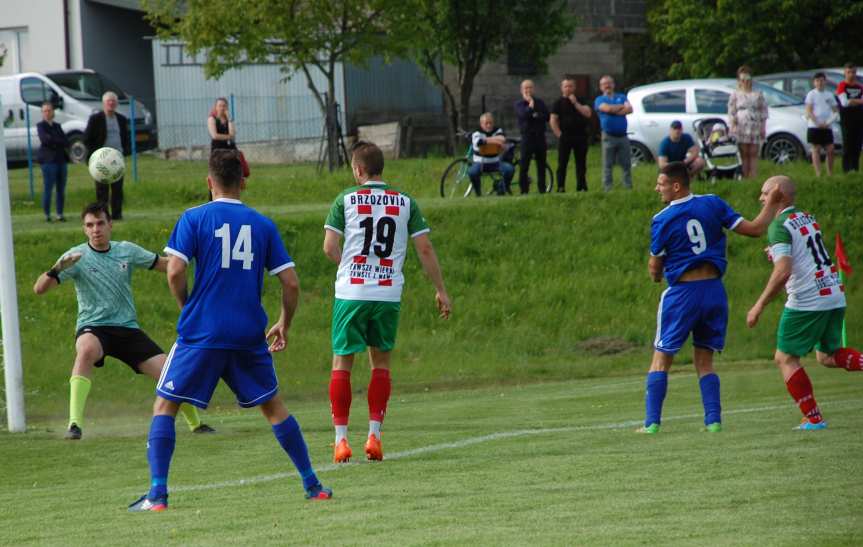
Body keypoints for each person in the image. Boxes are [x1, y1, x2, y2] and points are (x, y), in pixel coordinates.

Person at [128, 150, 332, 511]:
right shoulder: (263, 224)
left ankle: (157, 494)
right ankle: (312, 484)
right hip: (246, 334)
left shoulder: (194, 218)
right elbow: (291, 283)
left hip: (202, 333)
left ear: (209, 182)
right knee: (273, 407)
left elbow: (175, 270)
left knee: (166, 405)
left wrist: (187, 305)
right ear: (243, 181)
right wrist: (284, 322)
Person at [32, 202, 212, 440]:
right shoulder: (75, 256)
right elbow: (39, 290)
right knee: (86, 349)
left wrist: (195, 252)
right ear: (84, 229)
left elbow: (168, 266)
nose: (95, 229)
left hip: (127, 330)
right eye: (90, 225)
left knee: (169, 371)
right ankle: (74, 424)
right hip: (94, 328)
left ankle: (196, 424)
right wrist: (55, 270)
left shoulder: (126, 250)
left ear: (110, 225)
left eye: (100, 223)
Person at [323, 141, 451, 463]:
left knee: (342, 364)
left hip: (351, 293)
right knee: (380, 364)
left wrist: (348, 269)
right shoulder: (405, 202)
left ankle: (340, 440)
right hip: (387, 293)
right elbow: (424, 249)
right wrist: (441, 290)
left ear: (358, 170)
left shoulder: (346, 199)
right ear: (382, 168)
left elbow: (329, 246)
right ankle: (375, 436)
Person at [641, 162, 781, 434]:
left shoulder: (662, 219)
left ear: (676, 186)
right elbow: (754, 229)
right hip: (715, 292)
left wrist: (656, 278)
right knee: (704, 360)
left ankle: (651, 424)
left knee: (661, 358)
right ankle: (713, 421)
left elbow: (654, 266)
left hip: (683, 294)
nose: (657, 188)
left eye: (661, 183)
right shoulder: (713, 204)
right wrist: (773, 203)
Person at [746, 176, 862, 430]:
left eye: (765, 193)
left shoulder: (778, 225)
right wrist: (777, 255)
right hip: (832, 292)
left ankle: (813, 418)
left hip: (808, 298)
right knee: (828, 356)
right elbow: (802, 254)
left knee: (784, 357)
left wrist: (759, 305)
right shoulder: (806, 217)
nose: (761, 198)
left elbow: (783, 272)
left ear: (779, 195)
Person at [84, 91, 130, 220]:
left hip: (117, 161)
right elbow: (86, 138)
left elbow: (125, 137)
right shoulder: (95, 119)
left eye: (113, 101)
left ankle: (117, 214)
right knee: (102, 190)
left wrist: (124, 151)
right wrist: (96, 155)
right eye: (108, 101)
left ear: (116, 104)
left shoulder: (121, 119)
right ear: (104, 103)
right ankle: (103, 215)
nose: (111, 103)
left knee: (117, 189)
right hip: (101, 162)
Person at [550, 76, 592, 192]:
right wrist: (559, 134)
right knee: (562, 163)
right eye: (566, 86)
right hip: (565, 137)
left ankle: (581, 186)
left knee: (581, 163)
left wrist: (576, 104)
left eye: (570, 86)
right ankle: (560, 187)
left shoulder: (581, 100)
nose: (568, 88)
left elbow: (588, 113)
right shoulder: (558, 103)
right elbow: (553, 119)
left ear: (574, 87)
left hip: (580, 136)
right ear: (562, 88)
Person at [728, 65, 768, 179]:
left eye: (748, 79)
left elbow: (763, 111)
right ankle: (745, 177)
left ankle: (754, 178)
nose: (745, 82)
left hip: (755, 125)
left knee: (754, 153)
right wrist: (733, 125)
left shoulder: (758, 94)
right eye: (743, 80)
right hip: (741, 126)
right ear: (739, 81)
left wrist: (763, 127)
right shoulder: (735, 94)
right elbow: (731, 111)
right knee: (744, 153)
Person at [593, 75, 633, 191]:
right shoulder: (599, 99)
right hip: (608, 136)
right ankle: (608, 189)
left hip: (623, 136)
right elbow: (606, 109)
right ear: (601, 87)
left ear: (613, 85)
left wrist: (612, 110)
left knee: (626, 164)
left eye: (609, 83)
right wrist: (621, 107)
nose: (607, 86)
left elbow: (630, 109)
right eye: (605, 84)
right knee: (608, 164)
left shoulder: (622, 96)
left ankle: (628, 187)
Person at [514, 80, 549, 194]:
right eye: (526, 88)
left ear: (533, 89)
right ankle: (524, 191)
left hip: (540, 137)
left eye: (530, 88)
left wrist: (535, 114)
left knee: (541, 165)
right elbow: (524, 115)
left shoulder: (540, 102)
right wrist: (530, 105)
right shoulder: (519, 104)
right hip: (527, 138)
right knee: (524, 166)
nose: (528, 90)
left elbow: (546, 116)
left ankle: (542, 190)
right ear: (521, 90)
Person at [36, 101, 69, 222]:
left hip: (61, 160)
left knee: (61, 189)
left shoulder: (57, 126)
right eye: (45, 111)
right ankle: (47, 214)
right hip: (48, 161)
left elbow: (66, 142)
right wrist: (56, 140)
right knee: (48, 188)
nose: (47, 113)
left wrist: (54, 140)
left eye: (49, 110)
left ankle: (60, 214)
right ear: (42, 113)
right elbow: (45, 140)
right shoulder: (41, 126)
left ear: (53, 112)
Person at [469, 112, 514, 196]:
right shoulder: (476, 133)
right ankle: (478, 193)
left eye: (490, 123)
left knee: (509, 169)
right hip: (480, 163)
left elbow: (502, 138)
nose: (489, 125)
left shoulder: (497, 130)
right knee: (472, 172)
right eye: (486, 123)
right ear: (481, 124)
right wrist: (497, 142)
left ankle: (501, 190)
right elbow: (479, 142)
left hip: (495, 162)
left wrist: (488, 139)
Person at [804, 73, 839, 177]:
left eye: (822, 80)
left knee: (830, 149)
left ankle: (830, 172)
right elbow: (809, 111)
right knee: (816, 149)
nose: (820, 83)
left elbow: (835, 111)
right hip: (814, 126)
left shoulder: (829, 95)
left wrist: (828, 122)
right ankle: (818, 173)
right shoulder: (811, 94)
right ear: (814, 82)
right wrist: (817, 123)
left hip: (827, 126)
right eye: (817, 81)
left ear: (825, 82)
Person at [837, 62, 863, 173]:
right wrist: (856, 101)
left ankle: (855, 168)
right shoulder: (842, 86)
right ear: (845, 73)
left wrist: (852, 100)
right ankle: (846, 169)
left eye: (853, 72)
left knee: (857, 145)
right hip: (847, 119)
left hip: (859, 118)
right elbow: (844, 103)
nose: (851, 75)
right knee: (848, 144)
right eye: (849, 72)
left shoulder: (859, 87)